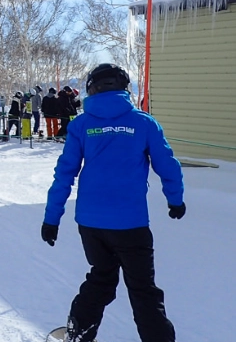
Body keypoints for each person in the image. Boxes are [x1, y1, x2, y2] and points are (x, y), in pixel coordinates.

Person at [41, 64, 184, 342]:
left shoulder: (81, 124)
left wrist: (51, 219)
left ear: (92, 89)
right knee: (142, 289)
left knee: (102, 278)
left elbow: (64, 174)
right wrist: (175, 200)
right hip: (131, 223)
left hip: (91, 224)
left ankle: (78, 332)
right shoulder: (143, 123)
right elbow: (168, 165)